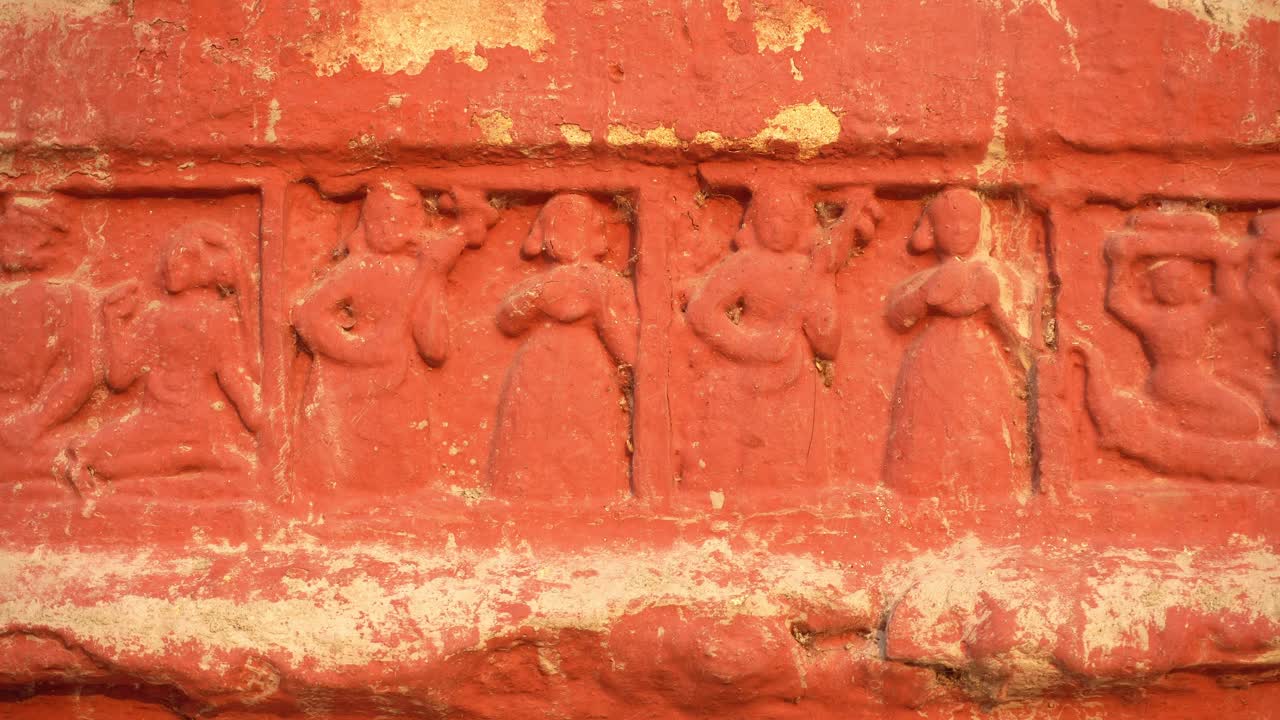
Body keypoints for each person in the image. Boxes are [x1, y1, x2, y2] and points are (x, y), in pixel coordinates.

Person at [291, 179, 496, 494]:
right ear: (365, 224)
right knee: (342, 470)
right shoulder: (358, 268)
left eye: (398, 220)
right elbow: (307, 315)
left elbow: (434, 347)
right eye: (378, 220)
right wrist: (354, 351)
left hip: (398, 386)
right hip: (345, 387)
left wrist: (432, 276)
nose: (387, 229)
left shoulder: (419, 271)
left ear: (415, 224)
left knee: (399, 475)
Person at [681, 186, 880, 501]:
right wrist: (749, 345)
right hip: (743, 374)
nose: (776, 226)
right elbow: (702, 312)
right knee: (740, 456)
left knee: (793, 458)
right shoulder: (746, 264)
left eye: (787, 219)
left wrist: (821, 295)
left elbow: (828, 344)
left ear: (800, 224)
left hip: (794, 374)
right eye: (768, 218)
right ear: (755, 222)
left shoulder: (808, 270)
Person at [67, 221, 261, 503]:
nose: (170, 267)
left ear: (207, 268)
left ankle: (116, 472)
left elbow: (231, 375)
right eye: (169, 260)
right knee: (85, 449)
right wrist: (113, 321)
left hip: (191, 428)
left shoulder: (211, 319)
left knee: (94, 454)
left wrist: (256, 417)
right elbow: (120, 379)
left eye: (183, 260)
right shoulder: (162, 317)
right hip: (156, 423)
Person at [487, 193, 638, 503]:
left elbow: (630, 352)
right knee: (530, 438)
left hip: (589, 373)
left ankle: (592, 502)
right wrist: (542, 297)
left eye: (578, 227)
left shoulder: (610, 284)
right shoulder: (539, 284)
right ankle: (520, 499)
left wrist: (601, 311)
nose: (569, 238)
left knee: (585, 441)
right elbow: (507, 320)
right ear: (546, 237)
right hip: (537, 370)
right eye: (561, 228)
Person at [882, 187, 1027, 497]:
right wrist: (927, 295)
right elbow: (897, 315)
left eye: (967, 223)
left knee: (982, 424)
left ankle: (989, 489)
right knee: (926, 426)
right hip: (931, 361)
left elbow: (1022, 332)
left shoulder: (996, 275)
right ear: (933, 232)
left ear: (981, 228)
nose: (959, 230)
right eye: (949, 224)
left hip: (980, 361)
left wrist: (994, 301)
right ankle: (918, 489)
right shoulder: (923, 280)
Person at [1102, 210, 1261, 437]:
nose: (1173, 287)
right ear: (1152, 288)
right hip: (1176, 382)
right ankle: (1172, 426)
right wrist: (1120, 263)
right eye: (1165, 282)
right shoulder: (1154, 318)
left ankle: (1170, 423)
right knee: (1246, 419)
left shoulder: (1198, 314)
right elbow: (1118, 302)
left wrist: (1224, 266)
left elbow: (1229, 299)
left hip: (1186, 381)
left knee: (1245, 419)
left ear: (1191, 284)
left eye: (1180, 280)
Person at [0, 194, 95, 486]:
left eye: (15, 233)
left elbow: (81, 374)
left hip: (31, 426)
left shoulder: (69, 298)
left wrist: (32, 424)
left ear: (41, 241)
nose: (4, 240)